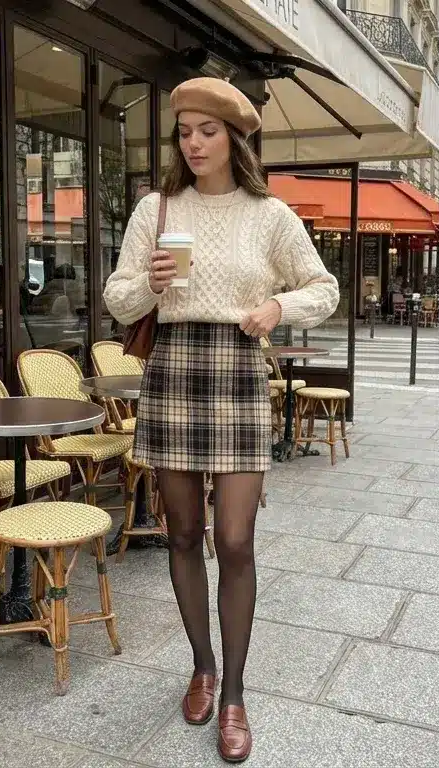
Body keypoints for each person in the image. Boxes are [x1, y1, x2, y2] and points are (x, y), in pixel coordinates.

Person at [102, 77, 339, 764]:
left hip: (236, 368)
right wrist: (150, 281)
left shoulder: (269, 214)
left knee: (234, 539)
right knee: (182, 533)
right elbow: (118, 300)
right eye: (185, 131)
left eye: (208, 130)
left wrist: (277, 311)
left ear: (234, 137)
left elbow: (322, 287)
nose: (195, 143)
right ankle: (202, 665)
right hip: (174, 366)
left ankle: (233, 693)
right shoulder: (156, 206)